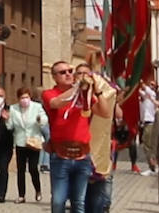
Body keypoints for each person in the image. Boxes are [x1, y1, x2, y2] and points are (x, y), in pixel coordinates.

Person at [43, 59, 113, 213]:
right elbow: (56, 103)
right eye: (63, 72)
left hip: (82, 157)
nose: (68, 74)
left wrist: (98, 91)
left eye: (70, 71)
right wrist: (76, 88)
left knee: (79, 203)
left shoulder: (84, 95)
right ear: (54, 77)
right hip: (61, 156)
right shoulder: (50, 93)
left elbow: (106, 113)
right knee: (58, 201)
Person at [77, 62, 117, 213]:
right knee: (77, 200)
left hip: (99, 149)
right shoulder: (72, 96)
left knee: (98, 198)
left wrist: (99, 93)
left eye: (86, 74)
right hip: (76, 152)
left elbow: (111, 113)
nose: (83, 77)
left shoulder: (102, 96)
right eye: (79, 73)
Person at [7, 86, 47, 203]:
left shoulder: (37, 107)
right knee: (21, 169)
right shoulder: (13, 109)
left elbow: (44, 120)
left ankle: (38, 190)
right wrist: (7, 119)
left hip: (34, 141)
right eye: (22, 97)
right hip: (20, 142)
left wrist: (40, 120)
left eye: (27, 97)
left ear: (30, 97)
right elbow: (10, 126)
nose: (24, 100)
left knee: (33, 168)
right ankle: (21, 195)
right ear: (18, 98)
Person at [139, 80, 159, 176]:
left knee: (148, 145)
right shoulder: (147, 96)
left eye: (152, 85)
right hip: (146, 123)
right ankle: (152, 166)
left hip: (150, 123)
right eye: (150, 84)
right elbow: (139, 91)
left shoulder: (152, 94)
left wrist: (140, 81)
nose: (150, 86)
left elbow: (143, 87)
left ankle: (153, 167)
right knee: (146, 145)